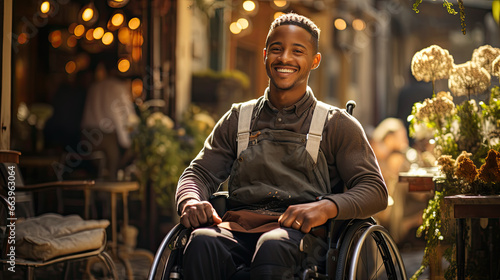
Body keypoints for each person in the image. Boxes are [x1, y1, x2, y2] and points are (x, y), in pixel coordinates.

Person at [176, 13, 387, 279]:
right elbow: (198, 174)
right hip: (236, 228)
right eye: (277, 49)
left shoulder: (335, 125)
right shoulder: (238, 118)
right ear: (265, 55)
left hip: (303, 239)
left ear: (315, 61)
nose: (285, 58)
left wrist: (326, 207)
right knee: (201, 241)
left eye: (297, 51)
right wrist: (191, 201)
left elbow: (374, 189)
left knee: (272, 245)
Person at [81, 59, 137, 180]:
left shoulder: (94, 86)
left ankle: (94, 195)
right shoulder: (117, 87)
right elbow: (124, 117)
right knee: (112, 172)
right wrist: (128, 141)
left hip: (87, 136)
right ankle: (108, 197)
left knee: (96, 172)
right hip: (107, 137)